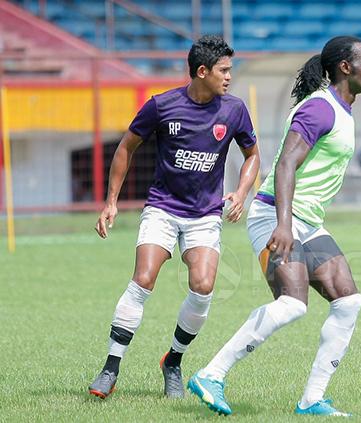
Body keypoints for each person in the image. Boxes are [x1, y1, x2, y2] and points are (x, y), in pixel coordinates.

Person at [187, 35, 361, 416]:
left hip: (305, 220)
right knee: (292, 304)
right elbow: (286, 164)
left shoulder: (341, 108)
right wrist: (284, 226)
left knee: (348, 301)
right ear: (344, 67)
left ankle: (312, 400)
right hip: (275, 216)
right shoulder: (320, 109)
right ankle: (211, 374)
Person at [88, 35, 260, 399]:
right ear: (202, 71)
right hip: (163, 208)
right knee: (144, 278)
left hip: (204, 215)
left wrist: (241, 192)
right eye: (224, 70)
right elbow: (126, 147)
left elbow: (253, 155)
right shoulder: (162, 106)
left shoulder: (234, 110)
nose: (229, 77)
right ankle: (110, 367)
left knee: (203, 286)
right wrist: (111, 202)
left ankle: (173, 362)